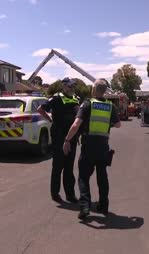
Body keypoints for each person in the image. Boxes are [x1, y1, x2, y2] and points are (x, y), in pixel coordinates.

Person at [62, 79, 121, 219]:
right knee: (102, 177)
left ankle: (85, 206)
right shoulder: (110, 106)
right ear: (105, 90)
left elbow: (76, 124)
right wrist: (107, 125)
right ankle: (103, 205)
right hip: (103, 146)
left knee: (83, 177)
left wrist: (67, 140)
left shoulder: (88, 104)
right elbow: (118, 124)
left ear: (94, 89)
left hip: (88, 146)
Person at [37, 77, 80, 204]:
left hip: (71, 137)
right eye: (70, 86)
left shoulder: (76, 99)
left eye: (73, 86)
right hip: (59, 136)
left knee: (69, 167)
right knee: (58, 166)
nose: (72, 88)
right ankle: (55, 194)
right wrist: (50, 120)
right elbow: (40, 109)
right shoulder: (56, 98)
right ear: (64, 87)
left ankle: (70, 194)